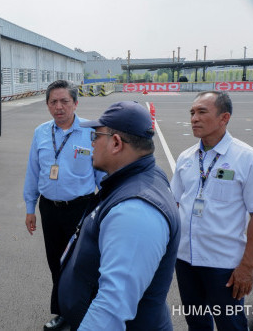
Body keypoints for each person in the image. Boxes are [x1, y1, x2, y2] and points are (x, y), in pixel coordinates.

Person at [58, 101, 180, 330]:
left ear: (116, 143)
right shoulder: (142, 174)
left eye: (96, 135)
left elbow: (111, 309)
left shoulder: (136, 211)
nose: (91, 142)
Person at [171, 91, 253, 330]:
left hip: (223, 265)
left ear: (224, 118)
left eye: (202, 112)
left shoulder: (248, 159)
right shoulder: (186, 157)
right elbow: (174, 204)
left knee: (231, 324)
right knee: (196, 322)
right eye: (192, 113)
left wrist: (247, 267)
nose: (194, 118)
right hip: (186, 261)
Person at [23, 80, 103, 330]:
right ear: (47, 106)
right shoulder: (41, 132)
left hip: (81, 208)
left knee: (81, 264)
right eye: (53, 102)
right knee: (56, 262)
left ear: (75, 103)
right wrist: (30, 208)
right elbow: (33, 172)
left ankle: (86, 311)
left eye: (64, 101)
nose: (59, 107)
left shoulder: (91, 132)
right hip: (49, 209)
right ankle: (62, 312)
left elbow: (103, 175)